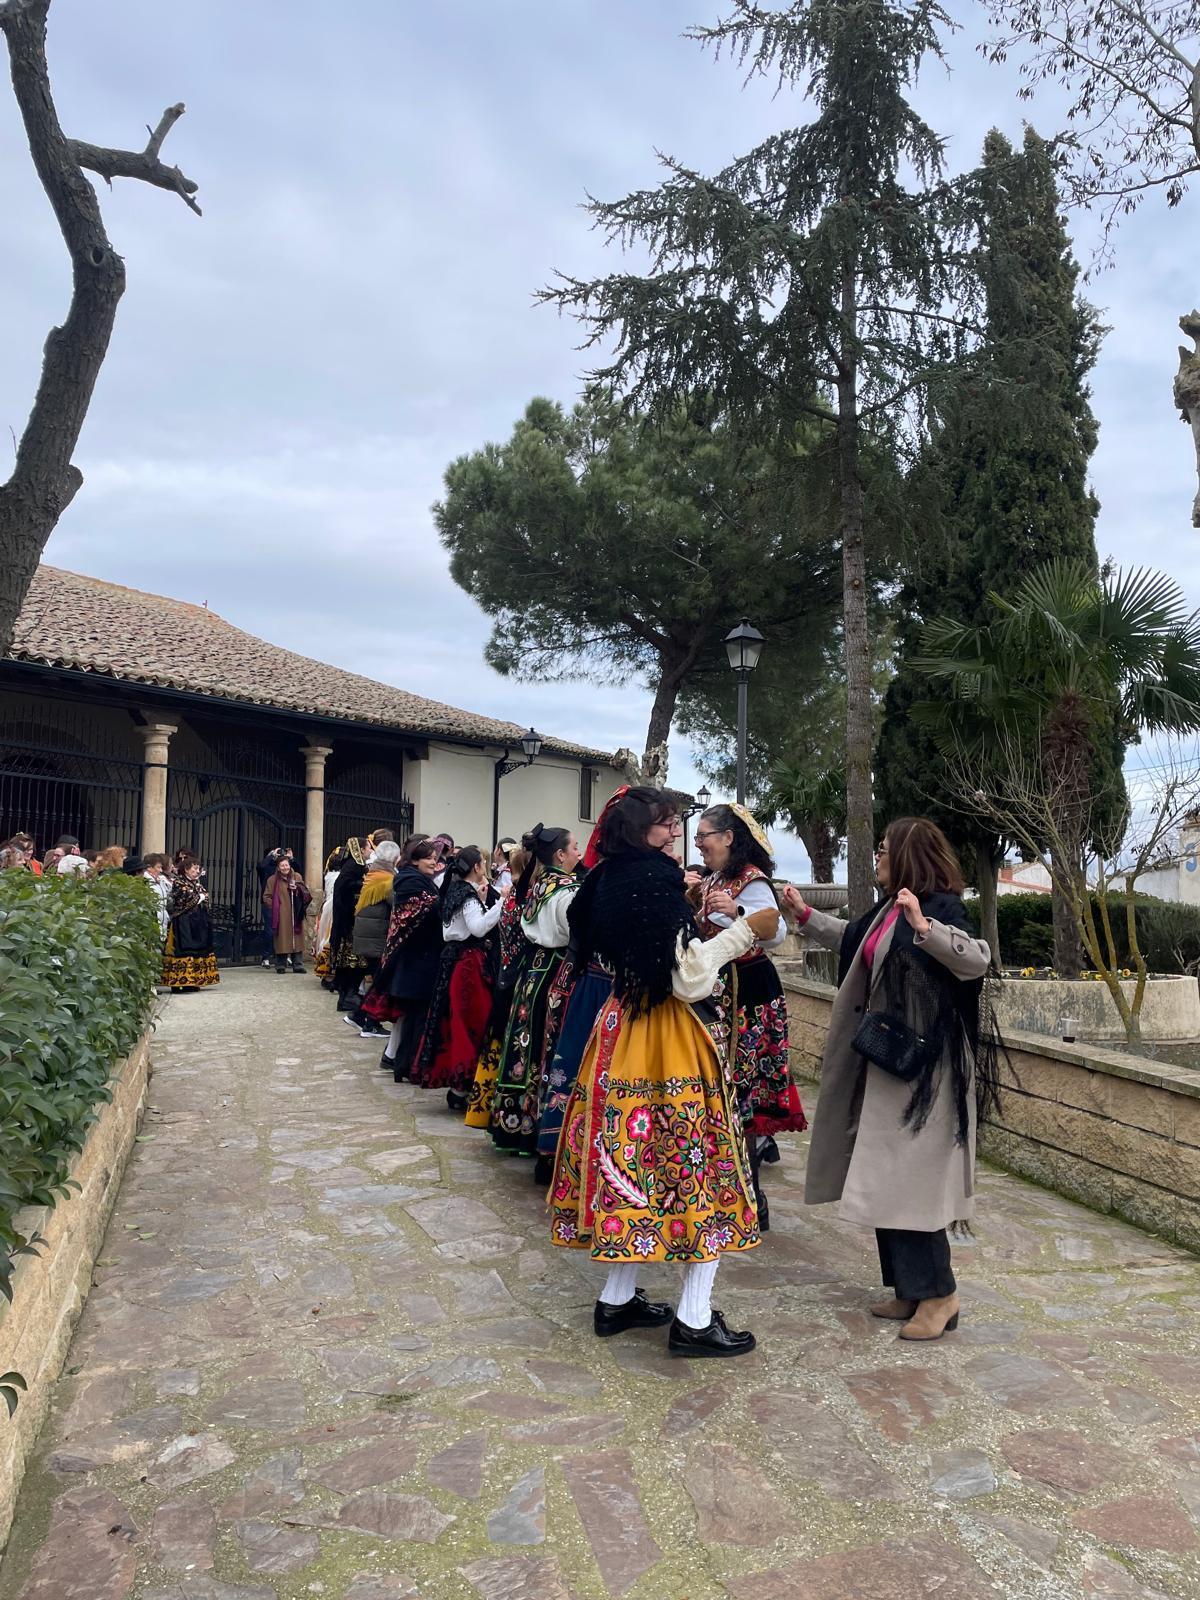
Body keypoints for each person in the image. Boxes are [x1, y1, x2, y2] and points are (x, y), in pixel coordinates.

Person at [549, 788, 781, 1357]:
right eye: (663, 821)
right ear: (638, 829)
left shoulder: (604, 878)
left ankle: (616, 1298)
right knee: (695, 1163)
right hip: (667, 1035)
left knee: (628, 1159)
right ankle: (695, 1320)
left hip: (618, 1030)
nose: (674, 827)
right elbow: (686, 978)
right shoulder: (654, 881)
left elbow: (576, 935)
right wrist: (749, 931)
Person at [785, 816, 1000, 1343]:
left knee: (913, 1187)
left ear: (906, 855)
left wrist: (926, 929)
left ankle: (940, 1294)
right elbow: (855, 942)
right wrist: (805, 916)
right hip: (885, 1065)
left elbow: (976, 961)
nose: (877, 856)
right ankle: (909, 1289)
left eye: (883, 848)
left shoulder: (941, 906)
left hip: (925, 1076)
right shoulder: (886, 909)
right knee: (886, 1180)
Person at [693, 802, 807, 1230]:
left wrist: (736, 913)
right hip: (722, 988)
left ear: (728, 838)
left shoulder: (751, 880)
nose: (699, 842)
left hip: (749, 992)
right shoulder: (715, 879)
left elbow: (775, 932)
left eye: (705, 835)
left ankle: (749, 1195)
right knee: (727, 1086)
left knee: (745, 1090)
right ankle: (732, 1188)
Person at [488, 825, 581, 1158]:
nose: (578, 853)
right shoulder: (567, 889)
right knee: (546, 1044)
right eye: (574, 848)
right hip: (556, 970)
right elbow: (573, 932)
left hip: (532, 971)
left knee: (523, 1045)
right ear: (559, 854)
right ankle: (539, 1126)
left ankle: (514, 1123)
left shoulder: (538, 883)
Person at [412, 846, 507, 1111]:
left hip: (453, 960)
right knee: (472, 1021)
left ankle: (460, 1086)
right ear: (477, 867)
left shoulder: (454, 890)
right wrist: (501, 904)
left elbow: (455, 927)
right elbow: (477, 928)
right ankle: (464, 1084)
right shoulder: (466, 895)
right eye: (483, 863)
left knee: (454, 1019)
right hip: (467, 964)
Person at [466, 844, 532, 1131]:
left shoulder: (509, 899)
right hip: (519, 977)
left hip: (505, 974)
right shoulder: (523, 901)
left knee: (497, 1041)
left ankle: (482, 1108)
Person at [370, 837, 444, 1079]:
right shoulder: (410, 881)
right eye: (429, 858)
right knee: (413, 1015)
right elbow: (427, 910)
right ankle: (406, 1066)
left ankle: (401, 1063)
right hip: (413, 960)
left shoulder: (417, 879)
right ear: (414, 860)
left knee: (410, 1015)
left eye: (435, 858)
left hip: (416, 958)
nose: (434, 862)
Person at [348, 839, 403, 1032]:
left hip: (367, 936)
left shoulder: (374, 872)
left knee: (379, 979)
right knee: (381, 980)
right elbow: (397, 904)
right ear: (394, 858)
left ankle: (364, 1018)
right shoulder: (387, 879)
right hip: (376, 938)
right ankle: (365, 1019)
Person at [162, 859, 219, 991]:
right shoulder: (179, 882)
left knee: (198, 949)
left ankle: (193, 981)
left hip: (197, 921)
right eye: (194, 869)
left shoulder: (196, 883)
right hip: (183, 922)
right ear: (186, 869)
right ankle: (179, 982)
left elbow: (205, 895)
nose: (197, 871)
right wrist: (199, 897)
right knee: (183, 950)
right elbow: (186, 897)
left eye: (197, 869)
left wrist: (201, 897)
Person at [329, 838, 370, 1010]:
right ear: (360, 850)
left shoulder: (353, 867)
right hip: (349, 924)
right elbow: (345, 888)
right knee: (351, 963)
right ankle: (348, 996)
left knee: (351, 963)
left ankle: (347, 996)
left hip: (348, 923)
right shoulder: (353, 867)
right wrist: (364, 885)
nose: (370, 851)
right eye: (368, 848)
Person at [263, 854, 312, 973]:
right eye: (282, 866)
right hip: (281, 914)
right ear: (278, 868)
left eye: (287, 865)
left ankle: (298, 964)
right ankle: (280, 964)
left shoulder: (297, 876)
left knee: (297, 938)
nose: (285, 867)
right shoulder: (272, 880)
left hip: (296, 912)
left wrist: (297, 889)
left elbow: (305, 892)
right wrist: (275, 907)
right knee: (282, 939)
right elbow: (266, 897)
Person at [313, 845, 344, 985]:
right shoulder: (339, 875)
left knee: (324, 939)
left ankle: (326, 971)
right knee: (331, 939)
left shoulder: (329, 874)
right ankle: (330, 973)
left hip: (327, 907)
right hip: (334, 908)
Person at [142, 854, 171, 941]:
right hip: (153, 920)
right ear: (149, 868)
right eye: (158, 867)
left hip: (163, 920)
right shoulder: (145, 881)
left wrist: (166, 882)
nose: (161, 870)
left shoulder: (160, 880)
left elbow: (169, 893)